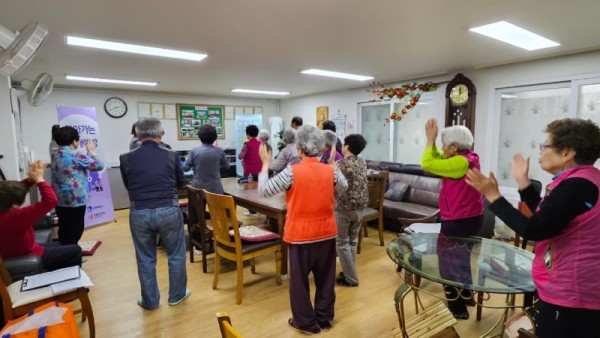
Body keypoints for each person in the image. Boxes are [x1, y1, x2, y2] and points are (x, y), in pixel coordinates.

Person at [465, 118, 600, 338]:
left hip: (572, 295)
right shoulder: (586, 181)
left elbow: (535, 229)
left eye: (545, 146)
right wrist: (523, 183)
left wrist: (493, 196)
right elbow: (549, 217)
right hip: (580, 290)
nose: (541, 151)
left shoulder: (576, 186)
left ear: (567, 153)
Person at [258, 125, 348, 335]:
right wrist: (333, 168)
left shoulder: (292, 172)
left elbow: (264, 191)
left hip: (300, 236)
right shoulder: (330, 170)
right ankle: (324, 320)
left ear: (299, 150)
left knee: (298, 283)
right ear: (320, 148)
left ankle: (306, 323)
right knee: (326, 279)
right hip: (327, 234)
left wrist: (265, 164)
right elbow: (343, 188)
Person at [120, 117, 190, 310]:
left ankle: (150, 301)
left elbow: (128, 185)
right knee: (176, 254)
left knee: (145, 257)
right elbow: (181, 182)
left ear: (138, 134)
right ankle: (176, 296)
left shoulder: (125, 158)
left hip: (139, 212)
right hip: (168, 209)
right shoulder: (171, 155)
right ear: (161, 134)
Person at [420, 118, 483, 319]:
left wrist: (429, 140)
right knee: (462, 259)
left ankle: (457, 308)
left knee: (448, 264)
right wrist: (434, 142)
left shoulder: (460, 162)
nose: (441, 148)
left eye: (444, 145)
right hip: (472, 218)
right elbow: (439, 160)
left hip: (457, 220)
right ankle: (466, 295)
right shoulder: (469, 158)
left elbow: (427, 163)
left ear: (454, 147)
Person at [0, 161, 82, 271]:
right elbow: (51, 200)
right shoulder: (14, 217)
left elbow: (12, 192)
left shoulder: (4, 207)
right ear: (14, 205)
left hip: (23, 250)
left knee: (62, 244)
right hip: (27, 255)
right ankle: (69, 283)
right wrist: (39, 180)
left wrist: (30, 180)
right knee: (75, 251)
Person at [51, 126, 104, 245]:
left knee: (64, 228)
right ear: (74, 141)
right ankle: (71, 257)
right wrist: (91, 151)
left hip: (59, 198)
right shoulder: (76, 154)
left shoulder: (54, 153)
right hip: (75, 199)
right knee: (75, 229)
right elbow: (99, 165)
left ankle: (67, 253)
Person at [334, 134, 368, 287]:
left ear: (346, 147)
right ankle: (349, 272)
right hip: (361, 208)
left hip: (344, 208)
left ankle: (351, 279)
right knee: (352, 241)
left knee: (341, 242)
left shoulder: (340, 164)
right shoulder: (362, 162)